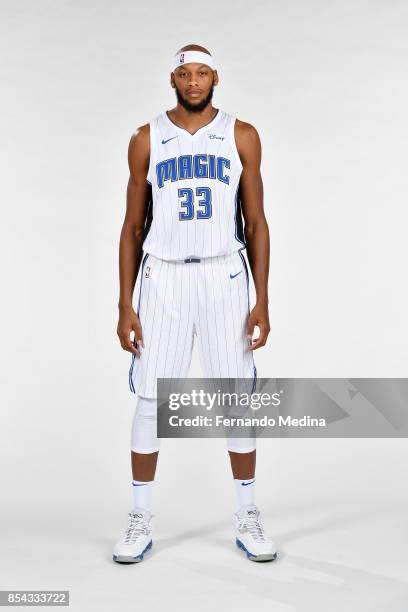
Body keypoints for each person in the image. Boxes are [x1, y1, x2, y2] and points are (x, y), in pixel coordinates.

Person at [113, 44, 277, 563]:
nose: (193, 80)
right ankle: (140, 517)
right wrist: (124, 303)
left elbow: (257, 223)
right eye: (185, 73)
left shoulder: (240, 134)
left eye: (202, 72)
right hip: (162, 278)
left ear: (215, 78)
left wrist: (263, 298)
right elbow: (132, 227)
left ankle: (247, 514)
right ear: (172, 79)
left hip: (224, 273)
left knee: (236, 398)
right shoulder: (147, 138)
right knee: (150, 400)